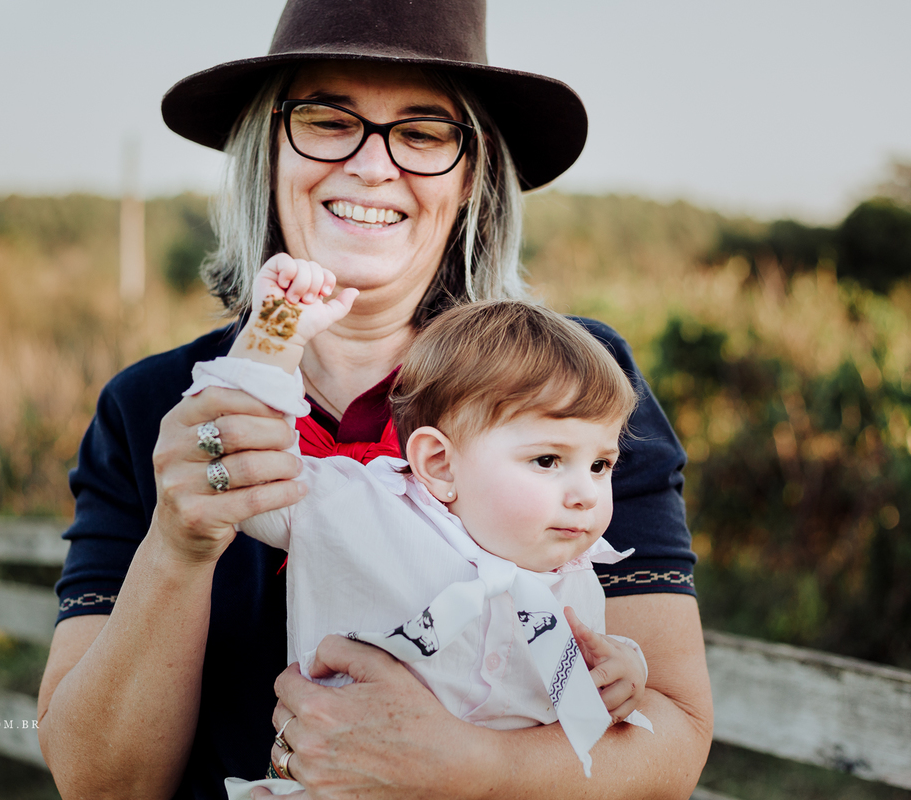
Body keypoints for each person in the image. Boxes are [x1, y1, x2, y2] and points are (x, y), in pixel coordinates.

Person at [37, 1, 713, 798]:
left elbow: (671, 734)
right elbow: (101, 784)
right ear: (269, 152)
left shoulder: (570, 387)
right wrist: (180, 545)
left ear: (471, 179)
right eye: (328, 120)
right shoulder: (151, 407)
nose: (372, 165)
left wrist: (473, 770)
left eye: (424, 133)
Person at [201, 257, 653, 797]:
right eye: (548, 460)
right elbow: (239, 467)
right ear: (440, 464)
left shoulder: (569, 564)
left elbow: (582, 682)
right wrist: (275, 330)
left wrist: (625, 668)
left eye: (600, 464)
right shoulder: (360, 506)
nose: (585, 495)